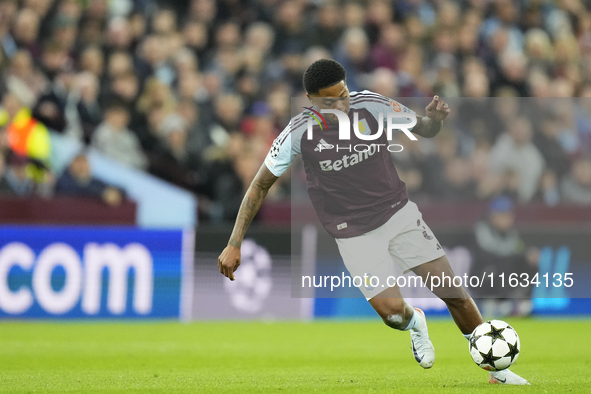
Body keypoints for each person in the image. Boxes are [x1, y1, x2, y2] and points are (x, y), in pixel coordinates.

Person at [217, 59, 529, 385]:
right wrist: (234, 242)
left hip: (397, 212)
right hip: (352, 230)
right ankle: (415, 322)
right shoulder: (298, 132)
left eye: (343, 94)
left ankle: (498, 371)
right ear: (311, 101)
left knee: (452, 292)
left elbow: (424, 128)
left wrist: (435, 121)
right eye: (330, 100)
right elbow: (259, 185)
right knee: (393, 314)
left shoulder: (372, 105)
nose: (341, 104)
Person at [470, 196, 539, 317]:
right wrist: (514, 256)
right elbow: (486, 255)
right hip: (483, 278)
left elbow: (520, 250)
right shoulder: (482, 231)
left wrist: (528, 255)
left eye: (508, 215)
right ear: (492, 216)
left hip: (506, 278)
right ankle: (496, 302)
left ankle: (524, 301)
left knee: (529, 263)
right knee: (501, 266)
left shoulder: (513, 233)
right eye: (501, 215)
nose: (505, 219)